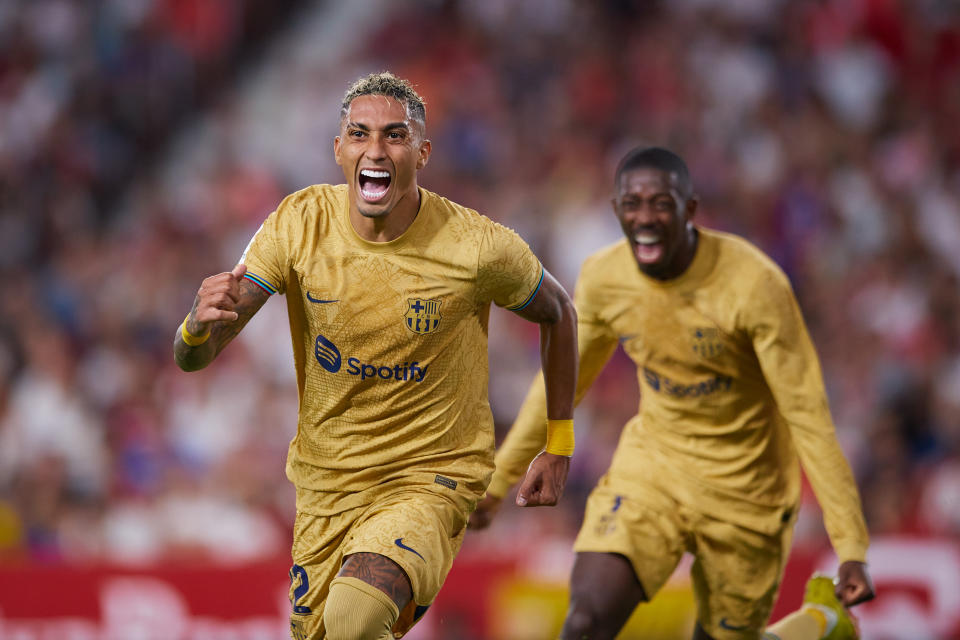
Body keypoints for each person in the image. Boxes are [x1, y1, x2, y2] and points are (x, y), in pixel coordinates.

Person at [173, 72, 578, 640]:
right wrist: (194, 328)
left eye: (395, 136)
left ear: (423, 152)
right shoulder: (298, 224)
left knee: (354, 618)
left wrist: (558, 444)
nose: (376, 150)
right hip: (328, 487)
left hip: (431, 478)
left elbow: (560, 314)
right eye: (359, 134)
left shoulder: (478, 246)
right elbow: (196, 356)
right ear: (339, 149)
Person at [469, 146, 875, 640]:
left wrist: (850, 547)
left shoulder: (754, 287)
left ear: (690, 209)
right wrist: (500, 480)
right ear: (616, 211)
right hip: (655, 472)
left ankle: (821, 622)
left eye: (661, 204)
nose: (645, 218)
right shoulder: (606, 277)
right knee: (585, 620)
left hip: (747, 491)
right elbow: (564, 381)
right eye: (632, 204)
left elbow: (809, 417)